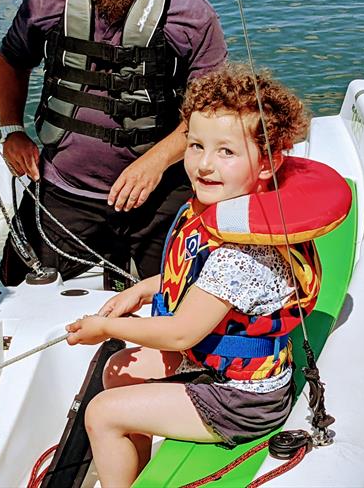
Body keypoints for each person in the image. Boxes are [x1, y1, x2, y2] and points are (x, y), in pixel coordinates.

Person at [66, 66, 319, 488]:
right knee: (117, 371)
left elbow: (182, 333)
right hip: (217, 369)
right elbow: (188, 273)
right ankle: (136, 475)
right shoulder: (215, 215)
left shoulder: (243, 252)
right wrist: (143, 290)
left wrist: (106, 326)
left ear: (268, 162)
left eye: (226, 152)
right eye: (197, 145)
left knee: (102, 412)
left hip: (242, 401)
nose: (204, 164)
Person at [0, 0, 226, 286]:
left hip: (156, 196)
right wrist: (11, 129)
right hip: (65, 190)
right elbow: (12, 60)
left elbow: (212, 112)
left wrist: (155, 163)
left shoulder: (191, 14)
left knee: (183, 297)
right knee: (13, 285)